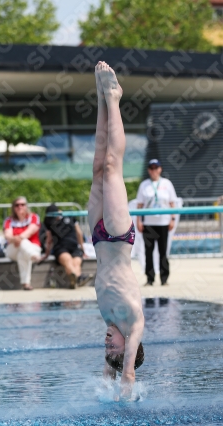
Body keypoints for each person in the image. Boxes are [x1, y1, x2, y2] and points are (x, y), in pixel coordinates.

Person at [88, 61, 144, 400]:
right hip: (118, 237)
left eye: (107, 346)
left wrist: (107, 371)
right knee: (112, 166)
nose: (107, 341)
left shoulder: (109, 319)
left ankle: (99, 99)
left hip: (97, 237)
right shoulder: (134, 324)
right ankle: (113, 98)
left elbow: (108, 367)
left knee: (97, 165)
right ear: (128, 349)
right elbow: (128, 371)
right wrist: (124, 373)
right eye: (114, 346)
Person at [136, 159, 177, 286]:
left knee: (163, 252)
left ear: (160, 169)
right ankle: (150, 279)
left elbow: (172, 203)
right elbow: (139, 205)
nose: (154, 170)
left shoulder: (167, 183)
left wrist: (172, 219)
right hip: (148, 223)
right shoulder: (144, 185)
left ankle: (164, 279)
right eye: (151, 168)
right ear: (149, 170)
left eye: (156, 168)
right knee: (148, 252)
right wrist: (139, 221)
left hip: (163, 222)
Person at [43, 204, 92, 289]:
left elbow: (79, 233)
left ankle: (75, 280)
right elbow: (49, 239)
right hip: (60, 248)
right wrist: (46, 254)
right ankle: (79, 277)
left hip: (74, 247)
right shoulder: (49, 221)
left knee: (76, 262)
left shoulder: (70, 216)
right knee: (68, 260)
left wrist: (83, 250)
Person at [3, 197, 41, 290]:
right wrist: (17, 239)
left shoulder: (34, 217)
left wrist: (18, 238)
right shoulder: (8, 220)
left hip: (33, 246)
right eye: (17, 205)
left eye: (22, 204)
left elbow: (31, 230)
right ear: (13, 207)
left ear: (26, 206)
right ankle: (34, 256)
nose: (20, 207)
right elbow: (7, 235)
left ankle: (26, 284)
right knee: (23, 243)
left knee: (22, 254)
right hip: (13, 248)